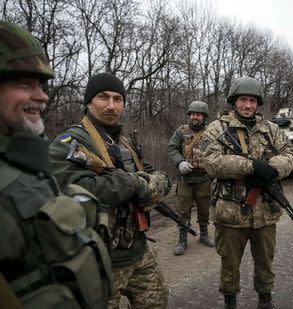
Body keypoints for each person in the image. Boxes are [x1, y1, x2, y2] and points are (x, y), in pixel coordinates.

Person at [0, 21, 112, 308]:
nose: (42, 96)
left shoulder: (23, 159)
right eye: (25, 84)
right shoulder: (69, 140)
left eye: (40, 84)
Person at [49, 73, 171, 308]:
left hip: (138, 250)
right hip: (98, 262)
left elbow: (155, 174)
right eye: (103, 97)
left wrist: (154, 186)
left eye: (118, 99)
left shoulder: (124, 143)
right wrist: (133, 184)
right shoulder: (68, 142)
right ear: (88, 102)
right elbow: (72, 189)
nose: (111, 106)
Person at [202, 76, 293, 309]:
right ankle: (230, 301)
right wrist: (251, 167)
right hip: (230, 212)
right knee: (229, 263)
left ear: (258, 103)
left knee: (265, 260)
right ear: (234, 102)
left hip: (265, 211)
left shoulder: (271, 129)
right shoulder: (217, 128)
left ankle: (265, 299)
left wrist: (271, 169)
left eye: (252, 101)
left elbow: (290, 155)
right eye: (243, 100)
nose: (247, 105)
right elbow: (211, 162)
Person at [167, 101, 215, 256]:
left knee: (204, 208)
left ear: (204, 116)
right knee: (183, 210)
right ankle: (182, 239)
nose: (195, 117)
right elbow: (172, 148)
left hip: (204, 178)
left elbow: (217, 150)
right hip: (185, 179)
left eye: (198, 114)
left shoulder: (211, 132)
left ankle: (204, 234)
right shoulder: (181, 131)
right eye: (193, 114)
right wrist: (179, 162)